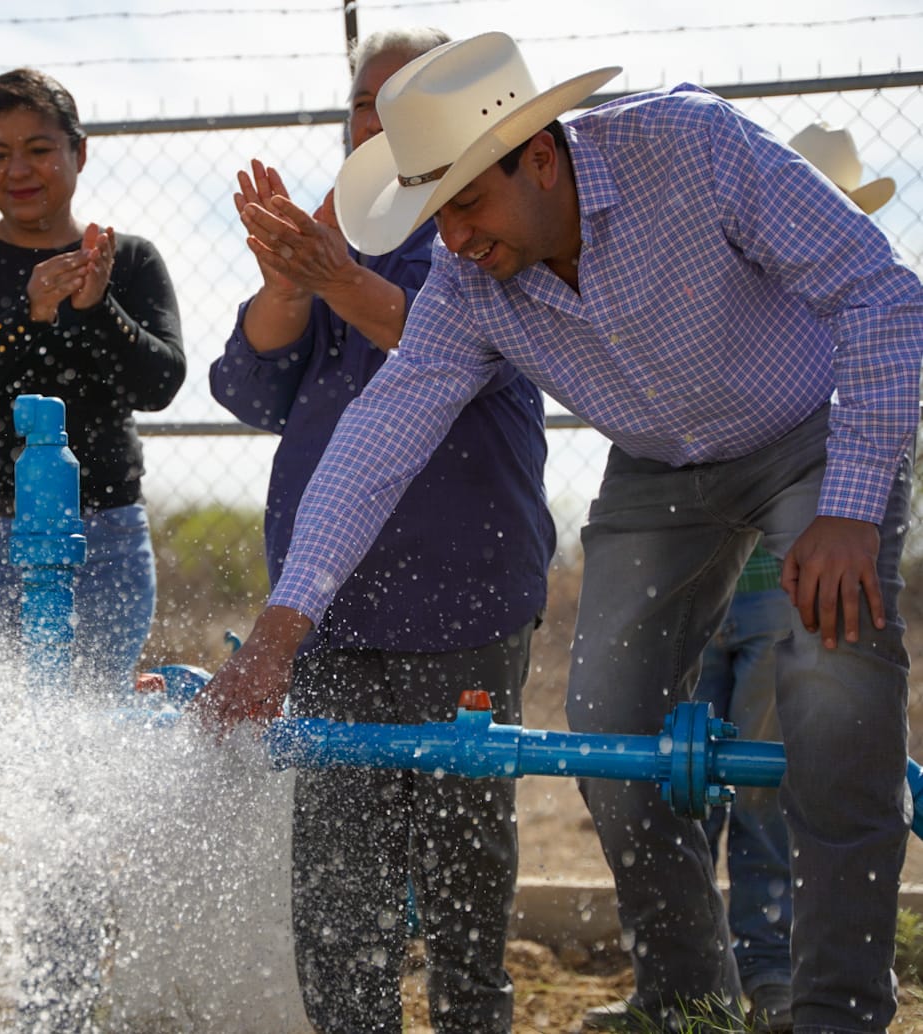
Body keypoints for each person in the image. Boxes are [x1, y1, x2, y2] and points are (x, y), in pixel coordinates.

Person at [193, 30, 923, 1034]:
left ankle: (838, 1009)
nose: (452, 240)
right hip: (658, 469)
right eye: (434, 214)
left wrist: (848, 505)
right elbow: (376, 441)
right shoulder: (468, 281)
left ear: (539, 155)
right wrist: (278, 632)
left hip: (808, 440)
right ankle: (689, 997)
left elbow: (880, 288)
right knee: (609, 725)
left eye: (466, 203)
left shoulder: (694, 148)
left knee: (832, 685)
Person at [209, 25, 554, 1033]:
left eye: (406, 94)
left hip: (466, 597)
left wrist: (331, 275)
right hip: (328, 613)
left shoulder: (496, 219)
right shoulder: (341, 230)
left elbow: (449, 340)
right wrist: (287, 278)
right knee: (337, 888)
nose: (382, 114)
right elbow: (250, 382)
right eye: (367, 98)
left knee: (462, 878)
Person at [686, 122, 898, 1034]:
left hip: (786, 589)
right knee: (683, 775)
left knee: (773, 783)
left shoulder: (853, 329)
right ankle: (700, 981)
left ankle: (773, 975)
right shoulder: (739, 312)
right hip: (716, 577)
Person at [0, 67, 185, 698]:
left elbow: (160, 383)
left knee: (91, 734)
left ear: (78, 152)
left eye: (39, 150)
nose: (18, 170)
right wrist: (24, 317)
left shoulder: (128, 260)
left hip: (102, 534)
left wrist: (97, 308)